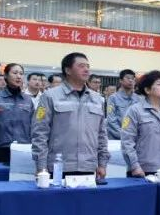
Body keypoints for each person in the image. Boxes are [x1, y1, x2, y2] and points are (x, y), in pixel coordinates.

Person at [32, 52, 109, 180]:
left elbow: (101, 134)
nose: (86, 69)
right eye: (81, 66)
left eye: (88, 66)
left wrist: (102, 163)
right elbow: (40, 133)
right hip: (58, 167)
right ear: (68, 70)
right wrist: (41, 167)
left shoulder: (97, 99)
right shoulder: (50, 96)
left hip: (89, 167)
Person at [120, 70, 160, 177]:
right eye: (158, 84)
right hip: (142, 170)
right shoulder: (135, 111)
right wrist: (134, 166)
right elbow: (127, 141)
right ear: (147, 90)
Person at [0, 63, 33, 164]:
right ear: (6, 76)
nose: (18, 76)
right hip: (0, 149)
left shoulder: (28, 100)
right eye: (15, 73)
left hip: (23, 149)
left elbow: (33, 126)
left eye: (21, 73)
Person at [106, 69, 140, 140]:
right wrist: (125, 135)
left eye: (132, 78)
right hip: (117, 138)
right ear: (121, 80)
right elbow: (111, 121)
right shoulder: (113, 98)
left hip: (135, 138)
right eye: (128, 78)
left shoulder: (138, 99)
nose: (131, 80)